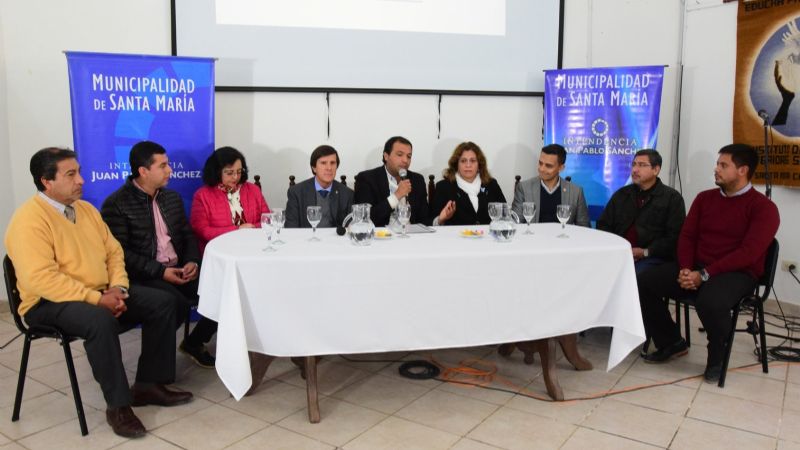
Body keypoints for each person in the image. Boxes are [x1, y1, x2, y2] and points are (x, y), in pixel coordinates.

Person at [5, 148, 192, 438]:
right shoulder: (28, 220)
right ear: (46, 182)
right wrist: (97, 299)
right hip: (47, 302)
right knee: (99, 321)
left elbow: (114, 252)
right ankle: (118, 406)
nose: (81, 180)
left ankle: (148, 384)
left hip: (100, 291)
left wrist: (118, 288)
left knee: (165, 302)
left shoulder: (86, 210)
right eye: (71, 174)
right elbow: (40, 279)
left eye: (79, 171)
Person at [637, 144, 779, 382]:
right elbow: (687, 237)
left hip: (737, 273)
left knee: (711, 302)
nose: (716, 169)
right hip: (697, 267)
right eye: (718, 164)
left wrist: (704, 274)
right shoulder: (705, 199)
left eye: (723, 165)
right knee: (643, 282)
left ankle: (717, 358)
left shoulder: (764, 208)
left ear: (743, 170)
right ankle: (671, 341)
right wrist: (685, 268)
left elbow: (749, 252)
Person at [101, 141, 217, 369]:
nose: (170, 170)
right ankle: (153, 377)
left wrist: (193, 261)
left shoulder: (170, 198)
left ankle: (194, 342)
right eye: (162, 165)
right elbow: (120, 254)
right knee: (173, 304)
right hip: (146, 275)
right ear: (143, 171)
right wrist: (161, 273)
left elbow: (187, 235)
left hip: (180, 269)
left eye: (168, 164)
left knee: (222, 288)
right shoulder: (116, 204)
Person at [596, 149, 686, 274]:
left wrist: (645, 252)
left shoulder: (672, 198)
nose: (635, 170)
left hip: (653, 258)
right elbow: (603, 224)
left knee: (633, 276)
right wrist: (617, 248)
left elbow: (673, 238)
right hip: (619, 252)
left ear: (656, 170)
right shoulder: (622, 194)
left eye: (642, 165)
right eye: (634, 164)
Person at [190, 146, 270, 253]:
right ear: (217, 172)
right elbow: (203, 231)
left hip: (254, 248)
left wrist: (250, 229)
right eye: (230, 173)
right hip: (220, 251)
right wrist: (238, 230)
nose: (236, 177)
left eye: (239, 171)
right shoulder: (202, 196)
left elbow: (267, 220)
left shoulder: (253, 190)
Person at [354, 136, 430, 227]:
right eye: (399, 154)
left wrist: (439, 220)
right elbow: (365, 219)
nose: (405, 160)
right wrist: (397, 195)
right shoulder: (367, 179)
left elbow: (424, 219)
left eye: (409, 156)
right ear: (386, 156)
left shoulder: (417, 180)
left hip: (411, 236)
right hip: (381, 236)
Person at [511, 144, 590, 227]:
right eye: (540, 163)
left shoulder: (576, 192)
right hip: (534, 239)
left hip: (564, 239)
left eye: (548, 166)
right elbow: (515, 223)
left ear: (561, 168)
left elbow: (584, 227)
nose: (542, 169)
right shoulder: (524, 188)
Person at [430, 141, 505, 225]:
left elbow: (505, 214)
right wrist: (441, 219)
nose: (468, 165)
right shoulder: (444, 187)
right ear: (456, 164)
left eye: (472, 161)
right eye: (463, 161)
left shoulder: (491, 184)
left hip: (488, 236)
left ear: (479, 164)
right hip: (455, 237)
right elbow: (431, 220)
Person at [285, 145, 353, 228]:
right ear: (314, 168)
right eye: (323, 163)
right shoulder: (296, 192)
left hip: (335, 240)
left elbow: (351, 228)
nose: (329, 168)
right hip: (306, 240)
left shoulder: (347, 194)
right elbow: (291, 229)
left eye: (332, 163)